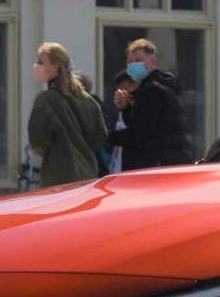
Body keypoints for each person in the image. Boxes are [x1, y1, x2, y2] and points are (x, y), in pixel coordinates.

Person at [26, 42, 107, 189]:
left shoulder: (46, 99)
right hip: (88, 175)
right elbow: (99, 137)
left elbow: (38, 140)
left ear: (55, 67)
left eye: (40, 62)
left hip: (59, 177)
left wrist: (39, 150)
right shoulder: (88, 100)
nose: (36, 66)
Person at [116, 37, 194, 168]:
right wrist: (126, 108)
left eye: (139, 61)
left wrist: (104, 137)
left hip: (159, 163)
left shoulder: (153, 90)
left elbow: (138, 133)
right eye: (130, 61)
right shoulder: (161, 86)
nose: (133, 65)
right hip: (169, 160)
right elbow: (142, 124)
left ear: (153, 61)